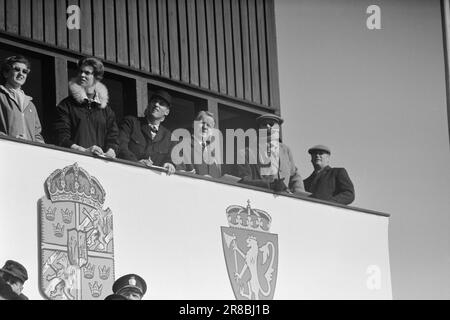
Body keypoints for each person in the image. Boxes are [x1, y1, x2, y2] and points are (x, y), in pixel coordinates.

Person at [54, 57, 118, 158]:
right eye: (80, 72)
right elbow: (61, 136)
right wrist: (83, 150)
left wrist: (111, 151)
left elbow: (113, 138)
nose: (82, 75)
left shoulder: (106, 110)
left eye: (87, 73)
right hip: (74, 164)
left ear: (97, 77)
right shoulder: (66, 105)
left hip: (100, 166)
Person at [235, 114, 304, 194]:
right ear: (259, 129)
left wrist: (299, 195)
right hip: (260, 199)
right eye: (264, 124)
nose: (268, 127)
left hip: (285, 200)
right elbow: (244, 180)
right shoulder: (245, 153)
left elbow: (294, 175)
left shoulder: (285, 150)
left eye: (271, 124)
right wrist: (269, 185)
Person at [118, 90, 175, 174]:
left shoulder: (169, 136)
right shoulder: (131, 123)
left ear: (167, 112)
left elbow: (171, 158)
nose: (156, 105)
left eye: (161, 104)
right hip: (128, 174)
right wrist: (136, 163)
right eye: (154, 101)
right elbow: (120, 146)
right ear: (149, 105)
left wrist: (170, 164)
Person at [0, 55, 44, 143]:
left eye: (24, 71)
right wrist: (11, 140)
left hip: (28, 153)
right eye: (17, 69)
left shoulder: (30, 105)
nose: (21, 74)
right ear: (6, 73)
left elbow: (37, 135)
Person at [176, 111, 222, 179]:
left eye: (209, 125)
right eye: (202, 123)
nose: (205, 127)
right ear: (193, 124)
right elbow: (177, 172)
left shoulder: (213, 155)